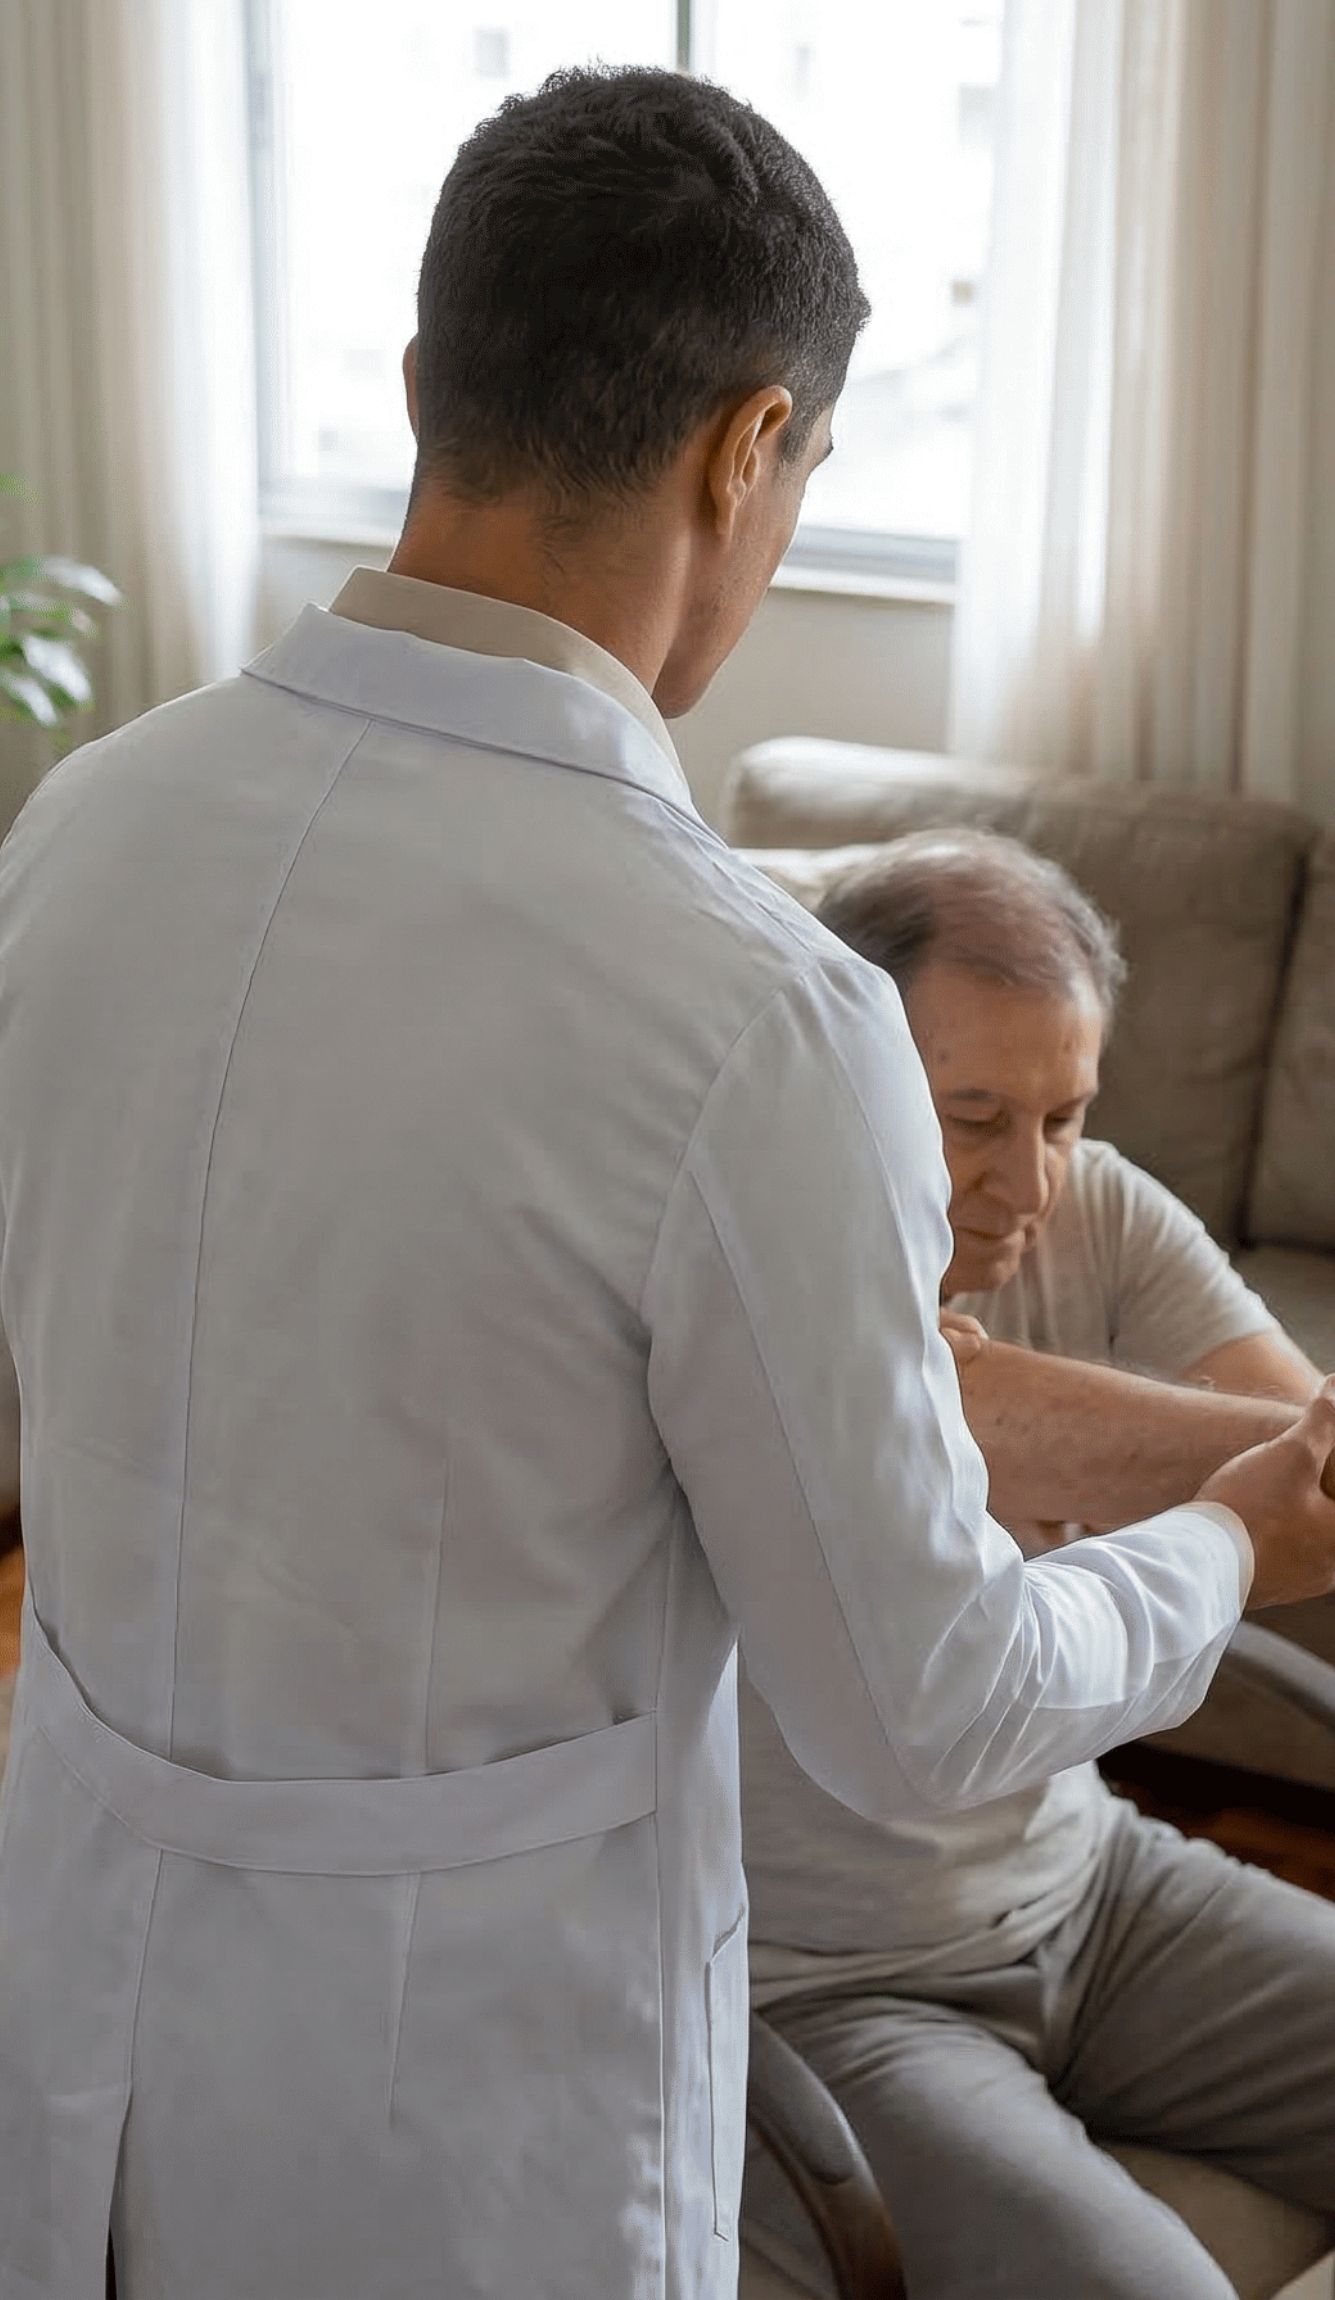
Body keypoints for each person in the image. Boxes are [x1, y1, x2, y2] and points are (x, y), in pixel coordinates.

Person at [0, 68, 1332, 2300]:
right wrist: (1222, 1538)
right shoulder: (741, 1012)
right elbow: (923, 1704)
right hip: (472, 2102)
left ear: (429, 385)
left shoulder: (77, 832)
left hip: (90, 1974)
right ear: (747, 447)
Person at [742, 829, 1335, 2300]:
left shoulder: (1103, 1207)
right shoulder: (761, 1267)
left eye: (1065, 1115)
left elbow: (1305, 1457)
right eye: (974, 1118)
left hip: (1097, 1886)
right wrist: (1212, 1493)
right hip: (839, 1987)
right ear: (852, 1079)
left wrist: (1226, 1479)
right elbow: (947, 1417)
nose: (1030, 1182)